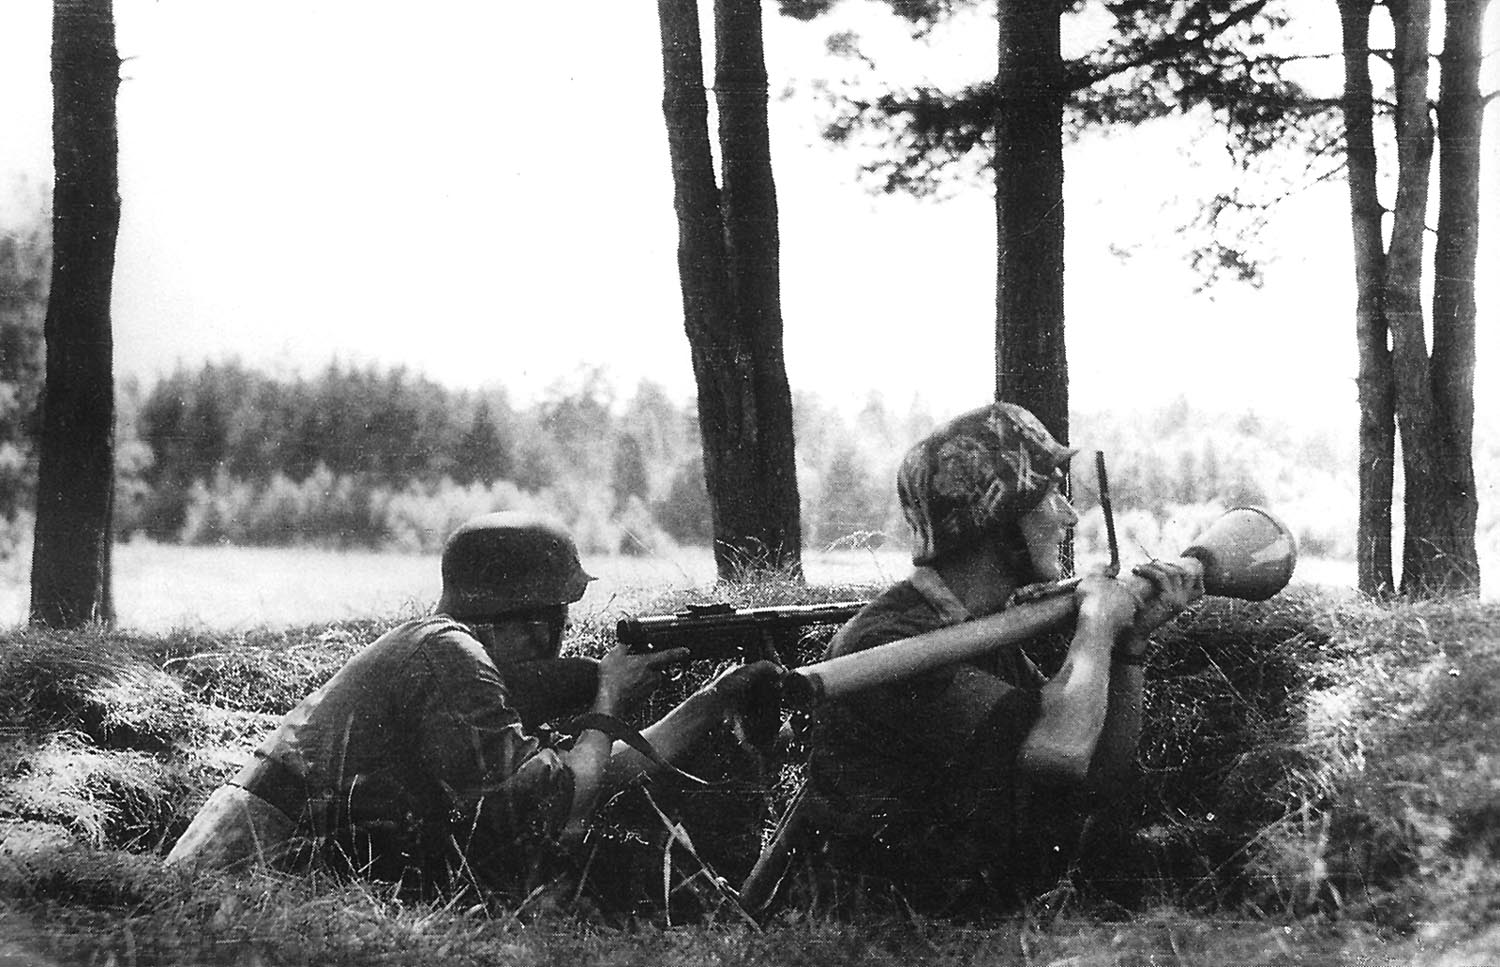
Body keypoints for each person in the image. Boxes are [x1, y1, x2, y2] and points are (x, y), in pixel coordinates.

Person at [166, 511, 780, 894]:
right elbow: (553, 799)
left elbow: (597, 774)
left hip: (273, 862)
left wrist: (712, 698)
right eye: (559, 616)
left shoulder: (441, 651)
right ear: (537, 621)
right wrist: (608, 694)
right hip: (251, 870)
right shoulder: (450, 657)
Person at [803, 402, 1202, 912]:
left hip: (970, 915)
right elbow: (1060, 752)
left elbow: (1095, 772)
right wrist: (1097, 625)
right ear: (997, 519)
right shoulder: (889, 644)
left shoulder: (975, 628)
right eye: (1050, 494)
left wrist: (1129, 647)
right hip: (895, 932)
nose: (1069, 514)